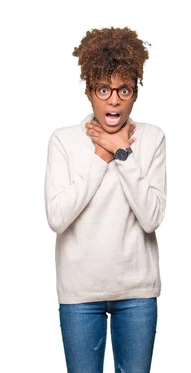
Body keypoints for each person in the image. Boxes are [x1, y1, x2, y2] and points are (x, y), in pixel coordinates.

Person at [44, 27, 166, 373]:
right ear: (89, 92)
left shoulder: (152, 139)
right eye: (103, 90)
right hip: (80, 293)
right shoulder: (64, 141)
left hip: (137, 291)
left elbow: (151, 217)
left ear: (134, 94)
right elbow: (57, 217)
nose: (113, 100)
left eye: (123, 90)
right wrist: (101, 155)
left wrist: (123, 153)